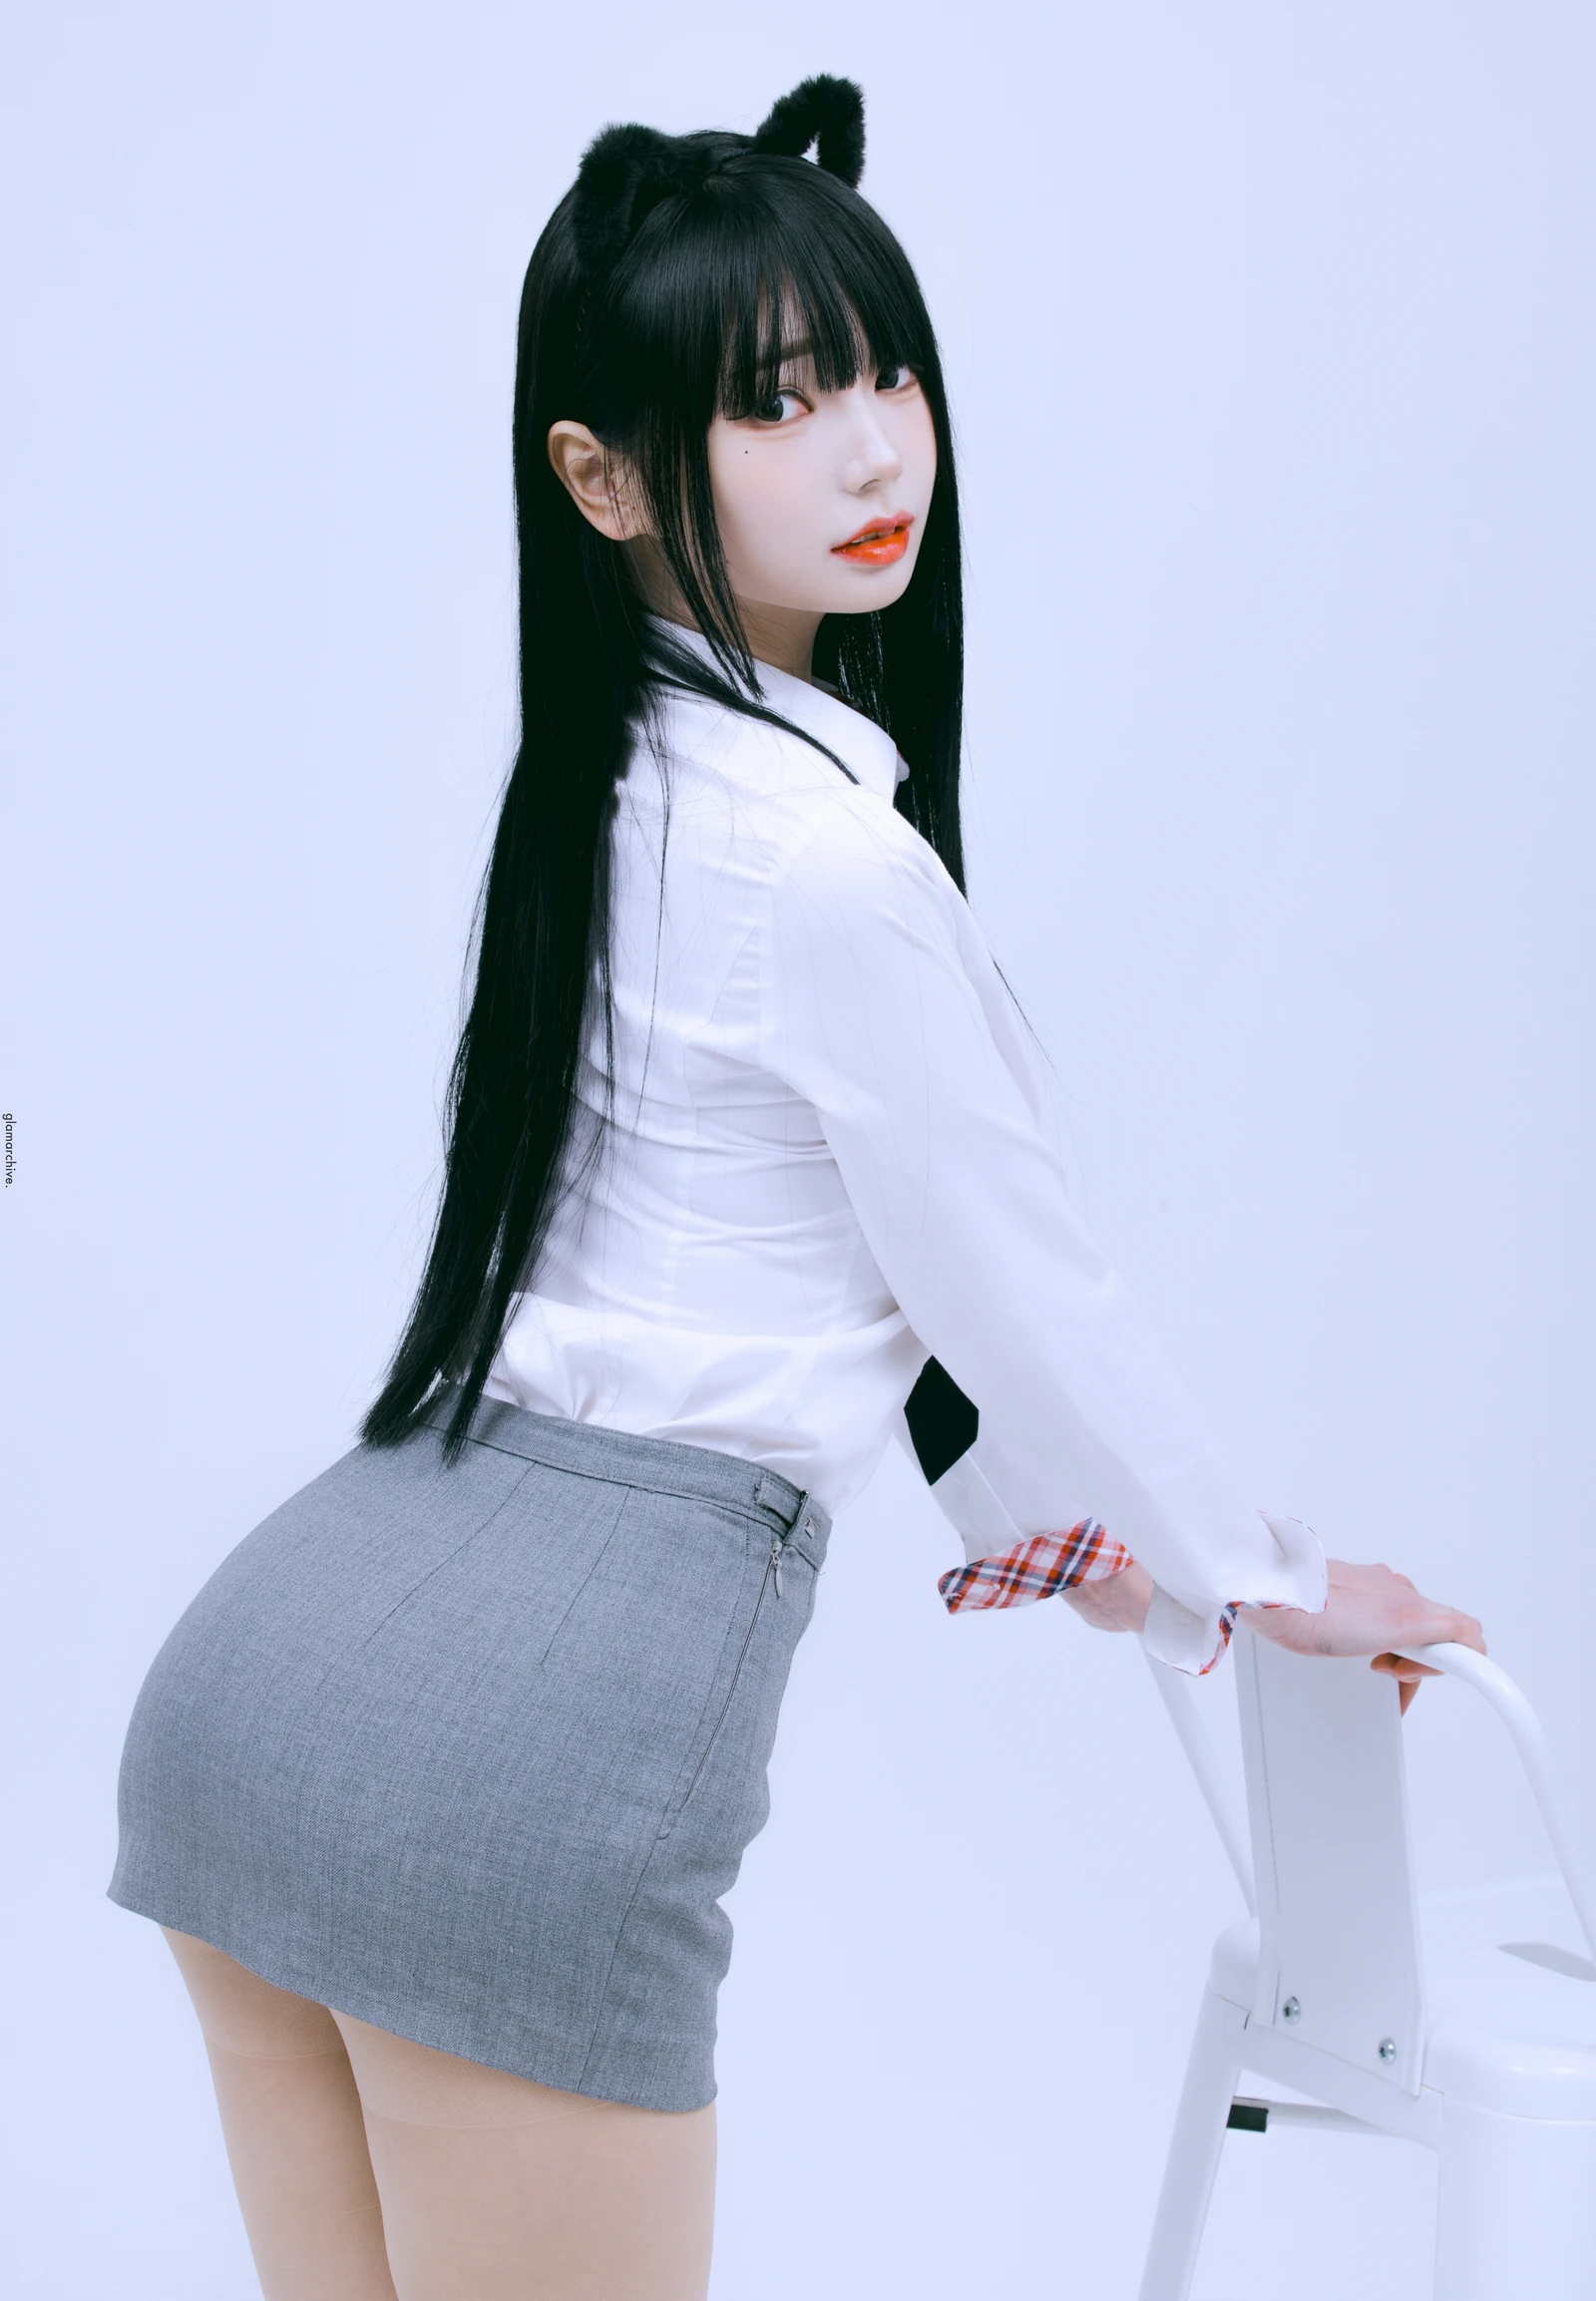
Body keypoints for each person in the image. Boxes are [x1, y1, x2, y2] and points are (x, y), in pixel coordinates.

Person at [110, 76, 1482, 2301]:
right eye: (778, 400)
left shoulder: (610, 786)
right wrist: (1264, 1578)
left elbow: (877, 1299)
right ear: (601, 476)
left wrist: (1126, 1579)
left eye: (885, 375)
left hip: (263, 1682)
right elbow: (1022, 1288)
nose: (871, 452)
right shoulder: (829, 865)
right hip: (518, 1764)